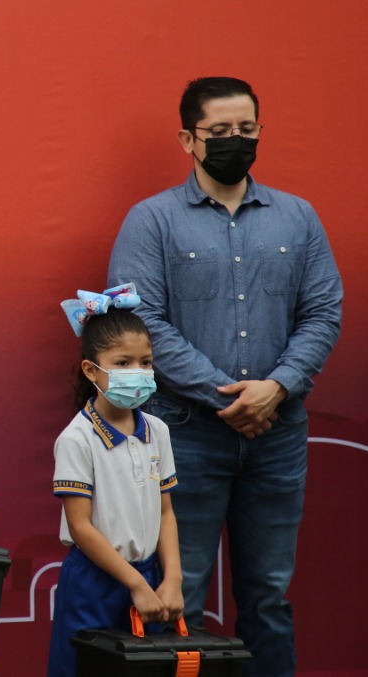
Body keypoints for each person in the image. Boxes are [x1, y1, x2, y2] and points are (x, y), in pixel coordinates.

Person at [108, 76, 342, 677]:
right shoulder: (151, 220)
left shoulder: (298, 217)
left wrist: (276, 388)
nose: (235, 139)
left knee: (268, 597)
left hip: (277, 434)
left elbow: (323, 312)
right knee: (176, 595)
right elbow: (139, 321)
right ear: (188, 139)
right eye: (219, 131)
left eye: (246, 128)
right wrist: (227, 396)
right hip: (184, 435)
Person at [47, 302, 183, 677]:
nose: (137, 372)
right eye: (123, 363)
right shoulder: (76, 439)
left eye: (145, 362)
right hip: (94, 581)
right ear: (91, 370)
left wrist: (172, 579)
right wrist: (134, 583)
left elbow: (166, 512)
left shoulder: (158, 430)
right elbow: (81, 527)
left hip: (150, 578)